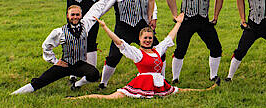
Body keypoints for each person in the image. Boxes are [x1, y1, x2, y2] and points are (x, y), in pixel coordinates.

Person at [71, 13, 221, 100]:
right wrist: (105, 27)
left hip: (158, 81)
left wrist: (179, 23)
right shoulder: (137, 53)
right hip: (142, 82)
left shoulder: (157, 50)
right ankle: (76, 99)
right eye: (145, 38)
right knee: (111, 97)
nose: (148, 40)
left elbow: (169, 38)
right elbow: (119, 42)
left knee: (179, 90)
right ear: (140, 39)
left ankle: (208, 90)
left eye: (150, 38)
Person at [86, 0, 159, 89]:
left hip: (141, 28)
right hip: (123, 27)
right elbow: (103, 7)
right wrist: (90, 19)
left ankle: (160, 79)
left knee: (158, 51)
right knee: (113, 57)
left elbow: (151, 1)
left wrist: (154, 17)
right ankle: (103, 83)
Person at [11, 5, 102, 94]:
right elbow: (46, 46)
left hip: (80, 64)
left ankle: (77, 85)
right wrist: (54, 61)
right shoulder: (60, 31)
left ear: (81, 15)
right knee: (41, 81)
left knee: (94, 74)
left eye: (77, 14)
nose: (75, 17)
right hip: (64, 64)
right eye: (72, 14)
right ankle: (14, 94)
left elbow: (95, 10)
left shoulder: (85, 25)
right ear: (67, 16)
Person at [172, 0, 229, 83]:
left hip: (203, 20)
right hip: (187, 20)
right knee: (181, 49)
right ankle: (175, 78)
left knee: (216, 47)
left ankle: (213, 76)